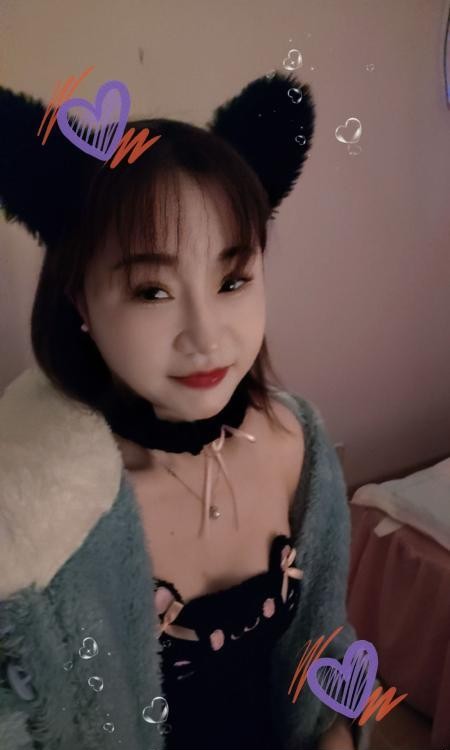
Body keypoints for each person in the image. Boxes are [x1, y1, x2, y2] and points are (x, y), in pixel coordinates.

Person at [0, 73, 374, 749]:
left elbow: (323, 639)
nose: (206, 335)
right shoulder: (45, 521)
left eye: (232, 279)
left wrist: (335, 733)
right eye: (152, 291)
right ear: (80, 302)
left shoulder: (298, 445)